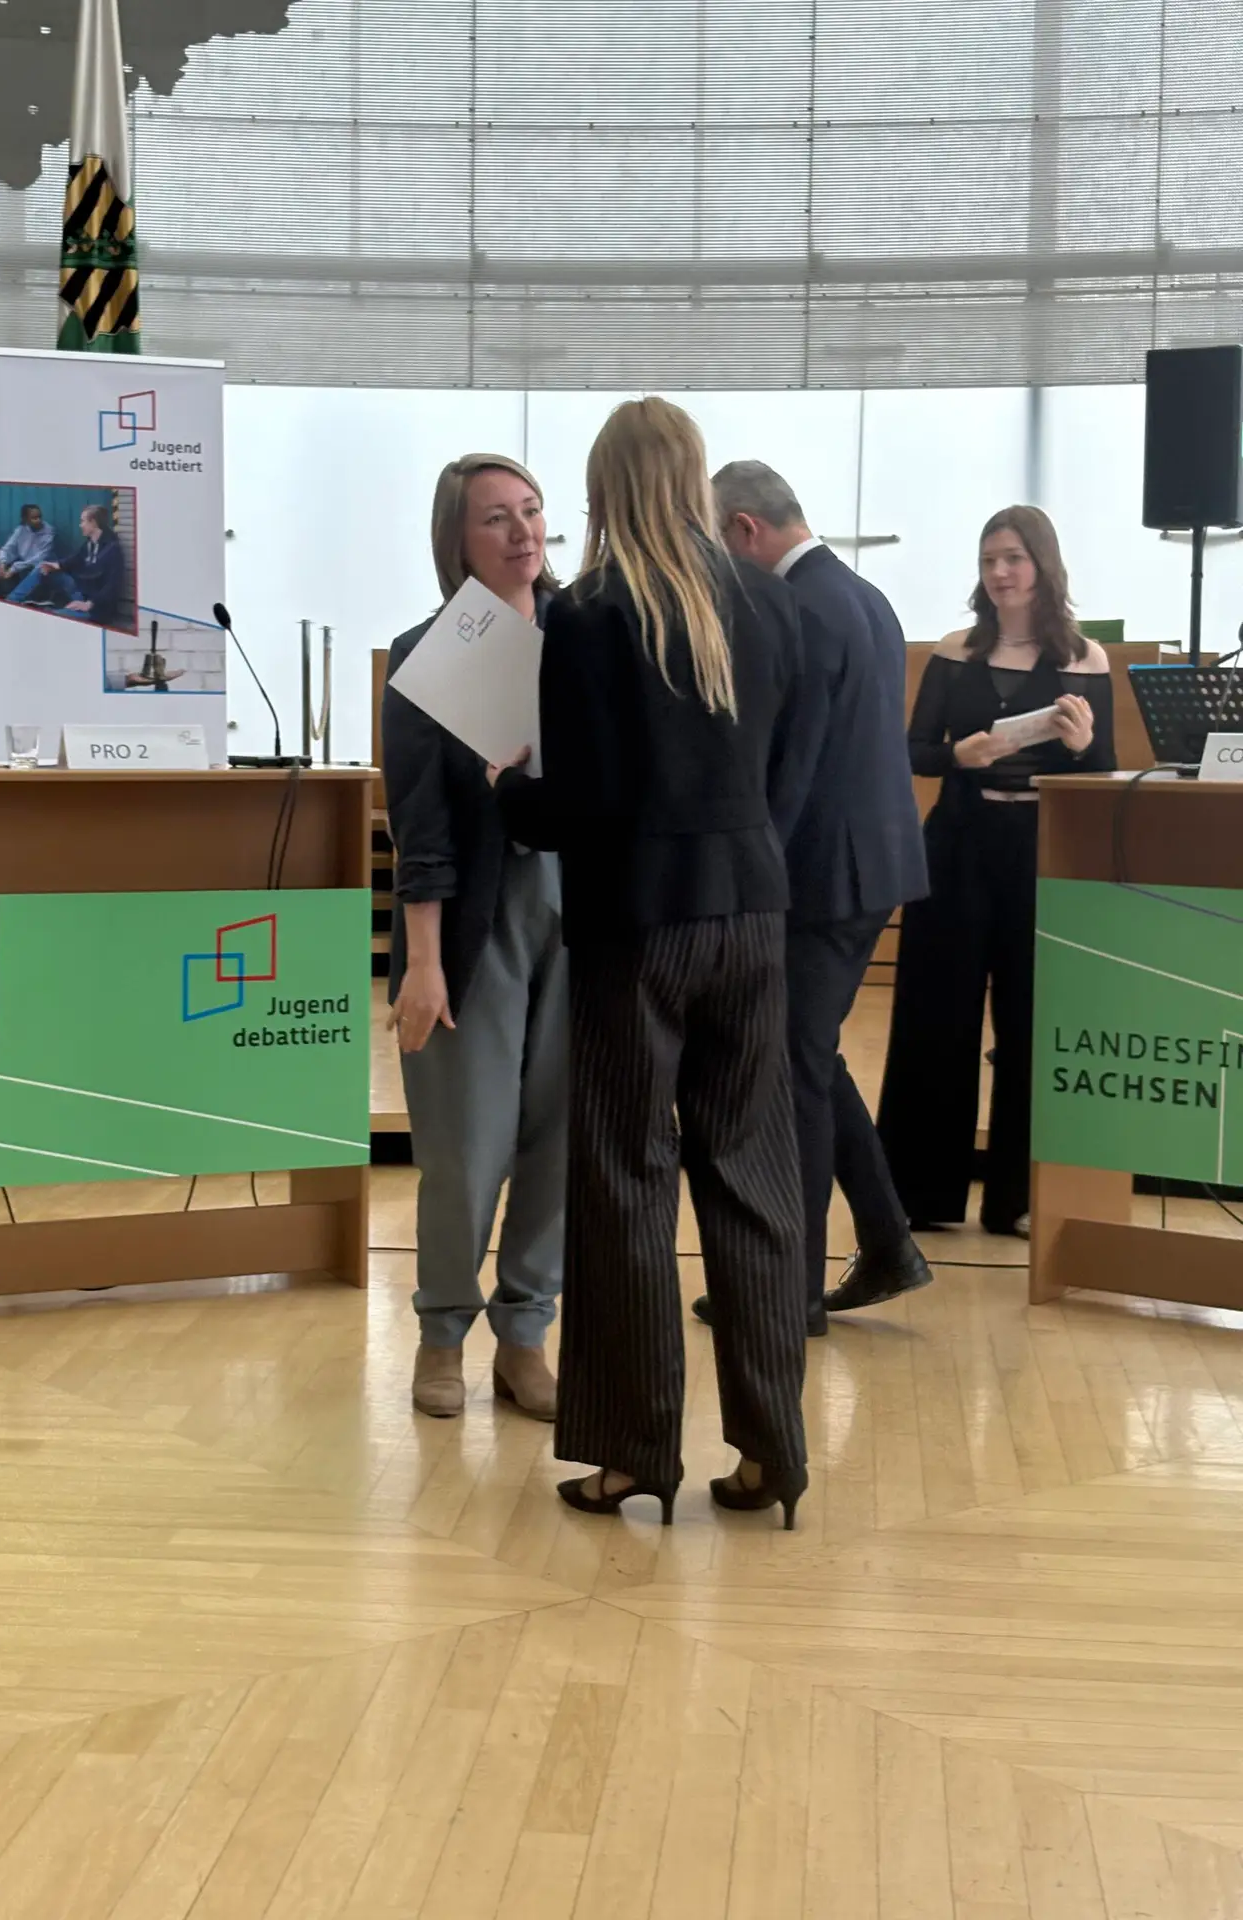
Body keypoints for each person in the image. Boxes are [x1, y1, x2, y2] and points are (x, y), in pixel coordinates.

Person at [493, 397, 810, 1528]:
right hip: (753, 912)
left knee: (626, 1178)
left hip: (637, 927)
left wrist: (507, 790)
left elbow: (582, 804)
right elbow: (781, 770)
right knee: (753, 1175)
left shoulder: (590, 613)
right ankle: (773, 1453)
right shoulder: (767, 599)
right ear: (691, 477)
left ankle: (634, 1455)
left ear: (602, 489)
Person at [687, 462, 934, 1331]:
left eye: (716, 543)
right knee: (810, 1055)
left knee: (792, 1069)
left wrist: (748, 879)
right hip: (873, 865)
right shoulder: (865, 597)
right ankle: (888, 1241)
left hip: (820, 875)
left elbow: (791, 768)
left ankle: (790, 1292)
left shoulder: (797, 606)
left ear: (745, 530)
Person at [382, 454, 567, 1423]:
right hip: (473, 919)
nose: (522, 531)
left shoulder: (589, 631)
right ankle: (443, 1332)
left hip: (586, 916)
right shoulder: (430, 651)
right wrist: (421, 963)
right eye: (496, 517)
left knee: (560, 1136)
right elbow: (420, 824)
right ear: (456, 536)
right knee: (465, 1145)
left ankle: (525, 1334)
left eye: (531, 510)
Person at [875, 506, 1116, 1238]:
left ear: (1043, 564)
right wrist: (959, 754)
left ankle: (1014, 1197)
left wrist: (1082, 746)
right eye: (988, 561)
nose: (999, 573)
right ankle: (921, 1193)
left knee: (1027, 1021)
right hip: (958, 842)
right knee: (936, 1015)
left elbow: (1103, 774)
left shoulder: (1086, 660)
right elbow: (913, 750)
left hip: (1038, 850)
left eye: (1012, 558)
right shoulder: (956, 652)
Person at [7, 505, 125, 626]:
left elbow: (112, 586)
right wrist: (55, 565)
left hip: (95, 607)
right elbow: (75, 559)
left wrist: (90, 604)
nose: (80, 525)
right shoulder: (90, 543)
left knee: (51, 618)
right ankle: (10, 602)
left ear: (93, 522)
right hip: (80, 590)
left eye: (83, 521)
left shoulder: (111, 549)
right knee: (41, 567)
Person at [0, 505, 56, 588]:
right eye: (34, 518)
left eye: (40, 517)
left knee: (37, 570)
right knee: (0, 570)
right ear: (26, 520)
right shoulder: (20, 530)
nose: (39, 520)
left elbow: (40, 558)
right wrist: (2, 564)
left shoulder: (48, 532)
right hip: (23, 566)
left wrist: (14, 569)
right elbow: (7, 548)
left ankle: (14, 595)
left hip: (42, 568)